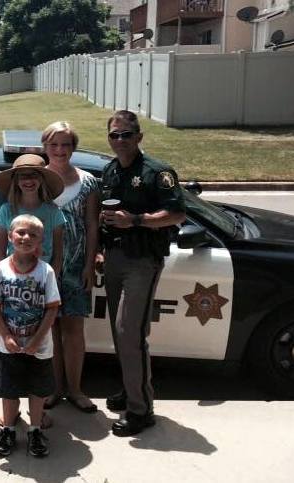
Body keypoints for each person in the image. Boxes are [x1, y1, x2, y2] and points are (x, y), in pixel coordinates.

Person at [101, 110, 186, 436]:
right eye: (114, 135)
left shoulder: (157, 172)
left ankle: (140, 410)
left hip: (142, 260)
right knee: (119, 332)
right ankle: (129, 389)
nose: (119, 141)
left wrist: (135, 220)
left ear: (138, 137)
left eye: (125, 135)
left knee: (129, 334)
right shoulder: (110, 170)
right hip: (113, 258)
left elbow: (177, 213)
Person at [0, 215, 61, 458]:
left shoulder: (45, 271)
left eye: (33, 234)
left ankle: (35, 430)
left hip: (40, 346)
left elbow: (52, 308)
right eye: (20, 233)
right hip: (11, 346)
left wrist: (38, 339)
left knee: (38, 390)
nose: (26, 238)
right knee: (9, 389)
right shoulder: (0, 269)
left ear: (41, 240)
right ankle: (8, 429)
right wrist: (6, 336)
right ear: (9, 236)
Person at [42, 121, 100, 413]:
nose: (60, 150)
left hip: (76, 268)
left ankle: (76, 390)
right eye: (54, 145)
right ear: (45, 147)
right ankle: (53, 389)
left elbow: (92, 224)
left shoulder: (88, 182)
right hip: (43, 268)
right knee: (50, 329)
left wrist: (90, 263)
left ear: (73, 147)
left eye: (66, 144)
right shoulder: (37, 180)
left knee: (74, 329)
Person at [0, 154, 65, 275]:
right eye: (22, 176)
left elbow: (58, 255)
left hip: (43, 278)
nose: (28, 180)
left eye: (33, 175)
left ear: (41, 179)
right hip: (12, 278)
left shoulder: (54, 212)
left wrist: (51, 280)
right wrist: (4, 279)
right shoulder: (5, 211)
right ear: (16, 181)